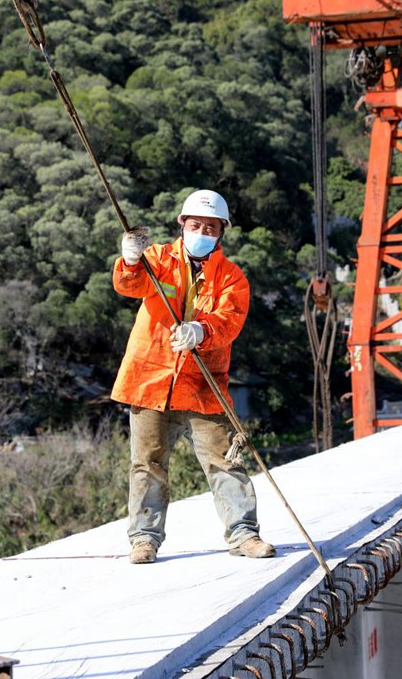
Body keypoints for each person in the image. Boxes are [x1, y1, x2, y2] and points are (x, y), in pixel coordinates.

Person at [112, 189, 275, 564]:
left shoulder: (232, 278)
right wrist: (130, 259)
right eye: (196, 224)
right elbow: (129, 284)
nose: (202, 231)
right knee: (147, 464)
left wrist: (201, 331)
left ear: (221, 232)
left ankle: (244, 535)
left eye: (211, 227)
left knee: (225, 461)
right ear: (182, 224)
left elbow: (229, 320)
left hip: (203, 384)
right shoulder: (157, 259)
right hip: (151, 379)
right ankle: (144, 539)